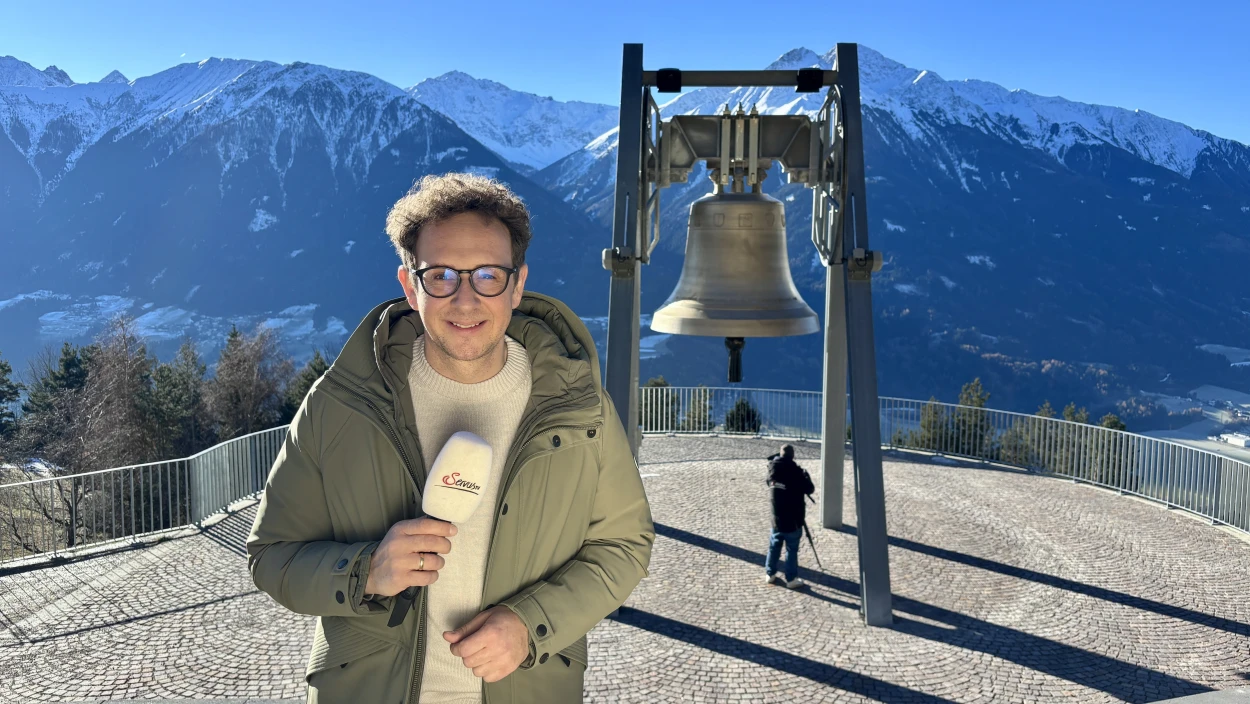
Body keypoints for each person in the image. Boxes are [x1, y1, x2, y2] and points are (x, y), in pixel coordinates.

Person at [246, 173, 655, 704]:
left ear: (517, 283)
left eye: (487, 275)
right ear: (409, 285)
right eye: (440, 275)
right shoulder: (341, 404)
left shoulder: (576, 408)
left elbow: (624, 544)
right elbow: (272, 557)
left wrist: (532, 624)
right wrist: (365, 571)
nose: (465, 300)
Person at [763, 444, 814, 589]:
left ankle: (770, 574)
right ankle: (791, 579)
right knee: (791, 549)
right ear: (793, 456)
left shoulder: (772, 469)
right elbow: (810, 488)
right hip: (793, 518)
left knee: (774, 546)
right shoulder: (796, 472)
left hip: (776, 517)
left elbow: (770, 482)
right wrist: (805, 475)